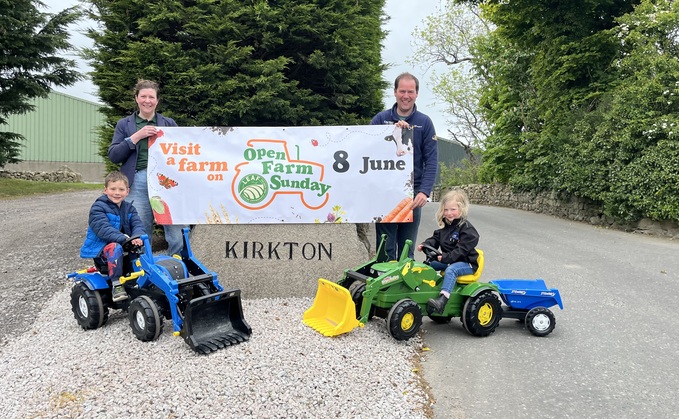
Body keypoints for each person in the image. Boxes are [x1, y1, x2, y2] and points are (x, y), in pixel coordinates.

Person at [108, 79, 188, 256]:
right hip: (137, 180)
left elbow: (183, 152)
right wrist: (136, 137)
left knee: (176, 228)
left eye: (151, 97)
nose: (147, 100)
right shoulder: (124, 125)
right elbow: (114, 155)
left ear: (157, 101)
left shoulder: (169, 124)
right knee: (140, 229)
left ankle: (175, 266)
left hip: (166, 180)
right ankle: (144, 270)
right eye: (143, 96)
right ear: (136, 98)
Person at [371, 72, 438, 259]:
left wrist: (424, 192)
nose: (406, 96)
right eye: (402, 91)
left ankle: (403, 288)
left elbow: (431, 160)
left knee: (407, 251)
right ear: (394, 92)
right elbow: (367, 152)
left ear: (416, 94)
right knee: (385, 249)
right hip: (385, 194)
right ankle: (384, 286)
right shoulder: (380, 120)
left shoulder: (425, 123)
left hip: (413, 195)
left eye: (410, 91)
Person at [80, 171, 145, 302]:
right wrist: (124, 239)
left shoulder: (130, 209)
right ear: (105, 190)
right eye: (113, 189)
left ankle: (140, 280)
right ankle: (117, 284)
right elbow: (104, 229)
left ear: (127, 191)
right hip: (103, 251)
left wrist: (137, 237)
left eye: (121, 189)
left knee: (140, 249)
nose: (117, 192)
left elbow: (138, 224)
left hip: (124, 244)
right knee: (114, 248)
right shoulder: (98, 208)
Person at [417, 189, 480, 314]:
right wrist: (425, 245)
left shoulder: (467, 230)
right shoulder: (445, 228)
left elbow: (461, 251)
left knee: (452, 270)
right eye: (446, 210)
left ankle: (442, 300)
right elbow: (435, 239)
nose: (449, 213)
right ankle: (422, 289)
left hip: (466, 263)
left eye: (453, 209)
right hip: (449, 260)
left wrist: (446, 257)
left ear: (461, 209)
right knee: (427, 265)